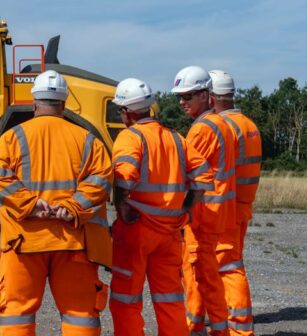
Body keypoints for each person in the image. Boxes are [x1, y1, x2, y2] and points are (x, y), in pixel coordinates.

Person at [0, 70, 113, 336]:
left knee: (17, 315)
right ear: (64, 105)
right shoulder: (88, 140)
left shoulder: (12, 138)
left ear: (34, 104)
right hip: (74, 241)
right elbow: (102, 179)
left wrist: (30, 205)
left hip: (23, 241)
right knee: (80, 316)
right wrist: (72, 207)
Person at [109, 78, 214, 336]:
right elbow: (203, 175)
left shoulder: (129, 137)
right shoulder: (176, 138)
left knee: (126, 299)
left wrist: (121, 205)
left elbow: (125, 176)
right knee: (169, 299)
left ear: (126, 112)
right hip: (169, 234)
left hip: (136, 231)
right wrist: (188, 208)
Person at [172, 66, 238, 336]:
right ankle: (201, 325)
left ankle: (201, 327)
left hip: (203, 213)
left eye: (188, 96)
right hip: (217, 211)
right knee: (205, 273)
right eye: (180, 96)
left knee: (200, 274)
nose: (182, 102)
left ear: (205, 95)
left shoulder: (201, 130)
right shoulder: (223, 123)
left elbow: (188, 175)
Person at [208, 70, 261, 336]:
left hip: (226, 207)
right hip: (243, 204)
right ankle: (231, 319)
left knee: (228, 266)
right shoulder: (249, 124)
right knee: (232, 262)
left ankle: (239, 326)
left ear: (212, 97)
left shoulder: (224, 127)